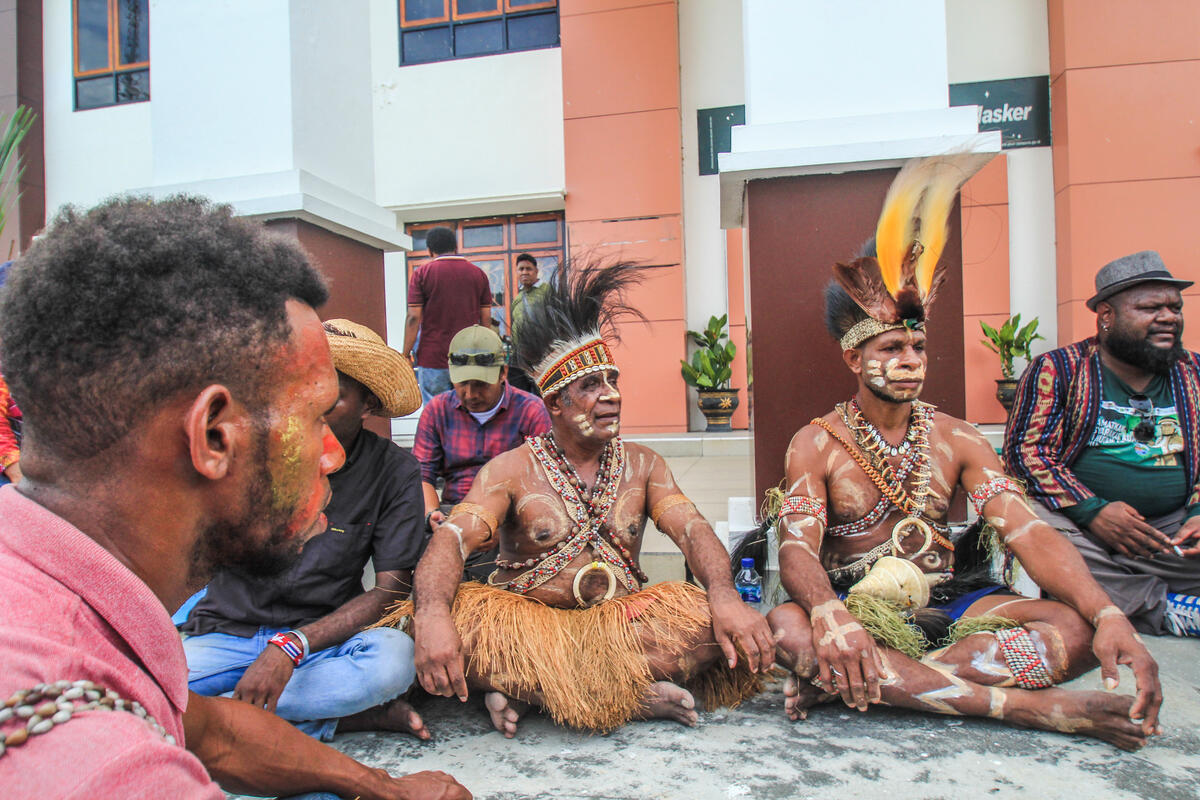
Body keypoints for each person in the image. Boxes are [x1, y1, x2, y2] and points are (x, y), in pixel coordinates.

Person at [0, 197, 468, 799]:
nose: (330, 455)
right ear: (215, 436)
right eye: (314, 415)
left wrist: (382, 786)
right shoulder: (103, 768)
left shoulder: (65, 594)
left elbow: (211, 730)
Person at [766, 156, 1162, 752]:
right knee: (790, 630)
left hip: (950, 607)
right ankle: (1027, 709)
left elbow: (1028, 533)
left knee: (1072, 630)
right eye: (892, 346)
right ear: (853, 359)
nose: (910, 360)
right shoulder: (815, 441)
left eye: (919, 346)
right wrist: (830, 612)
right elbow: (796, 550)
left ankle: (875, 683)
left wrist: (1109, 615)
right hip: (854, 606)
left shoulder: (960, 437)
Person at [382, 262, 774, 739]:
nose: (611, 396)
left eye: (612, 381)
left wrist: (726, 595)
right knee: (438, 632)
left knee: (711, 623)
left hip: (622, 628)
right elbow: (451, 541)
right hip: (529, 630)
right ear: (554, 404)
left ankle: (536, 695)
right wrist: (433, 615)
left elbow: (692, 530)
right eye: (590, 386)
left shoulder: (644, 465)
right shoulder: (510, 470)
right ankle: (629, 695)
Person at [181, 317, 435, 742]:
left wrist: (292, 645)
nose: (309, 407)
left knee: (394, 664)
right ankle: (335, 719)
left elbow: (390, 590)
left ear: (368, 404)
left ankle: (210, 718)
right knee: (135, 686)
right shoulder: (249, 451)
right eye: (302, 391)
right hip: (229, 633)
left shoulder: (394, 471)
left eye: (331, 397)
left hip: (323, 643)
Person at [1004, 250, 1200, 637]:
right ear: (1106, 315)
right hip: (1080, 527)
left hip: (1168, 530)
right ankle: (1165, 607)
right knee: (1034, 528)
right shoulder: (1059, 369)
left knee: (1073, 572)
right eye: (1150, 308)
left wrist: (1198, 511)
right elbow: (1027, 453)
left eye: (1175, 307)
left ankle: (1103, 588)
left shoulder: (1194, 371)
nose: (1168, 317)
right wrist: (1093, 511)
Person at [413, 324, 551, 578]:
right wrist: (431, 515)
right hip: (452, 513)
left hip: (511, 520)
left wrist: (502, 526)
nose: (470, 393)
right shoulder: (437, 411)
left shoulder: (530, 411)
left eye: (480, 384)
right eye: (462, 384)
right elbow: (422, 475)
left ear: (503, 373)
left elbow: (545, 483)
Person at [403, 226, 493, 404]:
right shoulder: (478, 274)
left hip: (433, 357)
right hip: (469, 357)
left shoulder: (421, 274)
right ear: (456, 248)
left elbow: (413, 317)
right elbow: (486, 320)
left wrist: (405, 354)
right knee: (468, 410)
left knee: (436, 413)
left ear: (429, 250)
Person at [508, 253, 550, 393]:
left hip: (541, 355)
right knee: (518, 396)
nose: (524, 272)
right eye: (521, 269)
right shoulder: (518, 299)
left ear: (536, 271)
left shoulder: (547, 292)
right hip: (518, 356)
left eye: (528, 269)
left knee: (543, 394)